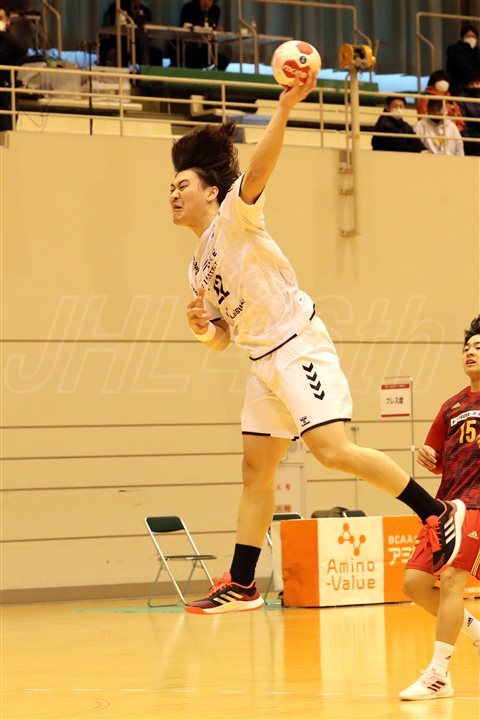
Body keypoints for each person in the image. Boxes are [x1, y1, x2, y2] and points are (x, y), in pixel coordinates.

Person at [169, 72, 465, 615]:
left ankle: (436, 511)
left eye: (181, 185)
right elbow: (221, 339)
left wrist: (284, 108)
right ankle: (243, 582)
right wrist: (202, 329)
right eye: (170, 188)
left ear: (211, 191)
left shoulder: (235, 214)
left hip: (296, 345)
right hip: (261, 362)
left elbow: (260, 168)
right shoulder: (196, 268)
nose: (173, 194)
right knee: (255, 472)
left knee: (332, 452)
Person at [399, 315, 480, 701]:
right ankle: (474, 628)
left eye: (479, 347)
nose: (470, 352)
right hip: (445, 504)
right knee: (414, 585)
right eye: (467, 347)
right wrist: (427, 457)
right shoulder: (452, 405)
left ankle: (438, 674)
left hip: (477, 504)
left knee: (451, 582)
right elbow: (436, 457)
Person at [99, 0, 163, 67]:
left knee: (156, 54)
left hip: (138, 45)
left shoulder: (146, 11)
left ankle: (151, 73)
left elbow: (149, 33)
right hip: (121, 43)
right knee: (121, 53)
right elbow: (109, 28)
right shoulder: (118, 7)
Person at [169, 0, 229, 71]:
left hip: (205, 47)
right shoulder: (189, 7)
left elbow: (213, 26)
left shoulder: (215, 10)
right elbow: (185, 27)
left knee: (223, 61)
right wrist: (204, 11)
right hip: (188, 46)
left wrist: (216, 30)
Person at [0, 7, 27, 132]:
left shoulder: (11, 42)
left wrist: (2, 33)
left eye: (0, 18)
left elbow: (23, 49)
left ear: (8, 20)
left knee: (6, 131)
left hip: (6, 93)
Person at [446, 24, 480, 94]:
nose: (471, 38)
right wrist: (473, 80)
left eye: (473, 36)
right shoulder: (455, 50)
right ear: (462, 38)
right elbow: (462, 68)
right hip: (459, 87)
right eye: (468, 36)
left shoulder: (477, 52)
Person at [457, 68, 480, 157]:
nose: (475, 86)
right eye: (472, 84)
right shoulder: (462, 98)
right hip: (469, 134)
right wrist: (467, 138)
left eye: (477, 83)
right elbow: (462, 121)